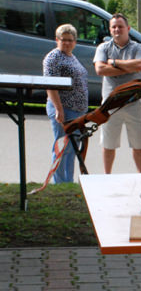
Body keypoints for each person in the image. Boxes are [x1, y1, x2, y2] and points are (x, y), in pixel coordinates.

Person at [94, 13, 141, 174]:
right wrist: (127, 67)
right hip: (110, 104)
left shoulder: (138, 48)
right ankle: (107, 176)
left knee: (138, 144)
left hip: (133, 103)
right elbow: (100, 69)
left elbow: (139, 66)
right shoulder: (103, 48)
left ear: (128, 28)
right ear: (110, 30)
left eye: (120, 26)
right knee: (108, 144)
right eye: (114, 27)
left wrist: (114, 63)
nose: (117, 29)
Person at [43, 24, 88, 183]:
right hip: (64, 109)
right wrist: (58, 109)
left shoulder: (71, 56)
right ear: (57, 40)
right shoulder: (53, 58)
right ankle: (60, 182)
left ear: (75, 42)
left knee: (71, 148)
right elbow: (50, 85)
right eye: (64, 40)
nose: (67, 43)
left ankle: (68, 182)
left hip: (76, 110)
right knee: (62, 147)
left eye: (70, 40)